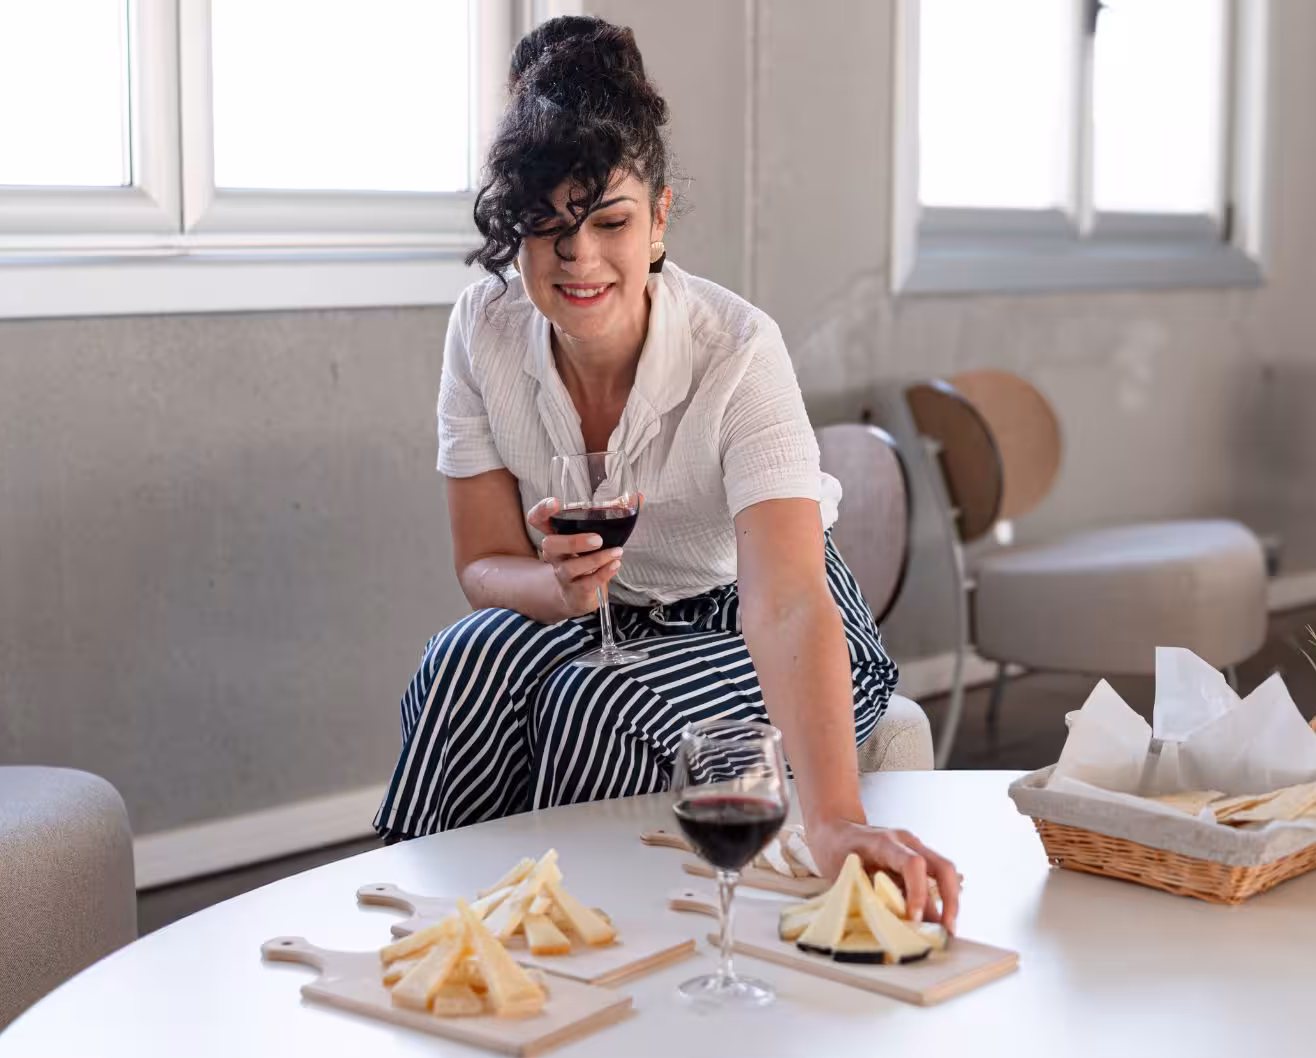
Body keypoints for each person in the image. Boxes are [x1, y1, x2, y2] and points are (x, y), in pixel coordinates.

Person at [373, 16, 959, 927]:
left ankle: (579, 946)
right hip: (611, 607)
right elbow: (481, 566)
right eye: (548, 230)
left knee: (596, 703)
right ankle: (440, 931)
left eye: (609, 223)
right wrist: (555, 587)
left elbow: (790, 602)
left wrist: (837, 820)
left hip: (748, 607)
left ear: (658, 220)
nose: (579, 261)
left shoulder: (739, 351)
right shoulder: (480, 329)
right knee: (460, 666)